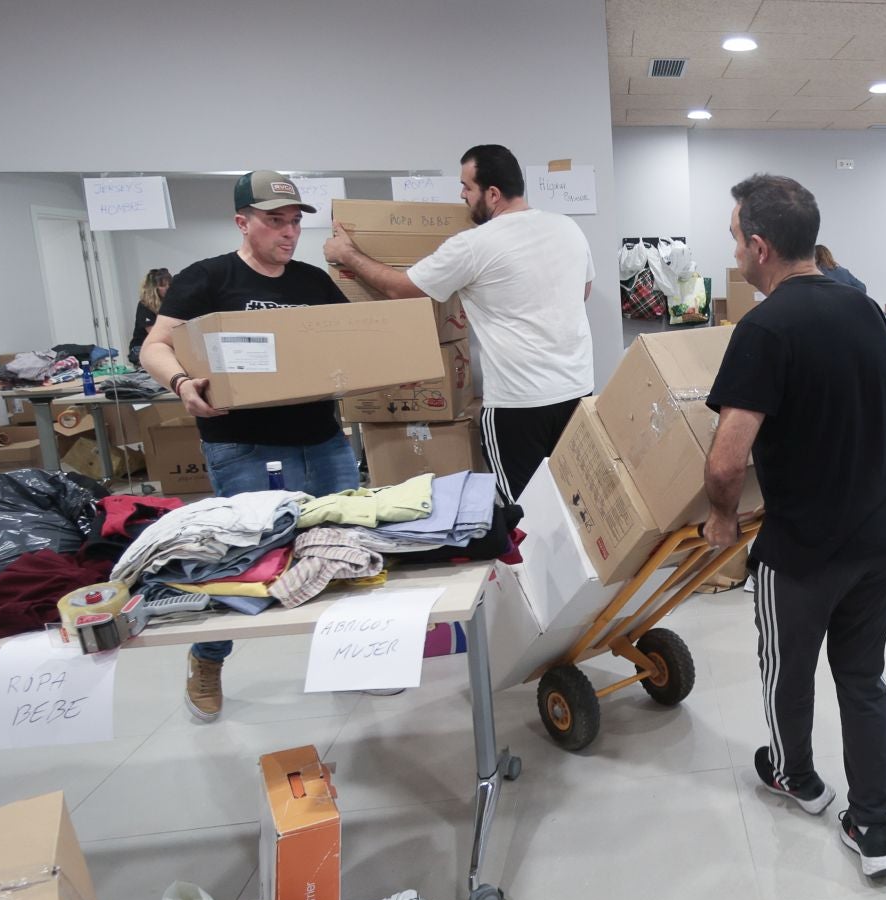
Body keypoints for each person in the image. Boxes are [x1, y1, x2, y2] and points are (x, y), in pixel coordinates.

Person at [703, 174, 886, 879]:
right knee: (862, 677)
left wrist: (721, 520)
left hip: (803, 548)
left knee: (787, 670)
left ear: (760, 247)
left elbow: (728, 459)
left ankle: (798, 777)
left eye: (735, 238)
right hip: (884, 534)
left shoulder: (763, 329)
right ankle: (874, 826)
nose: (732, 250)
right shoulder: (864, 307)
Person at [138, 170, 363, 723]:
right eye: (274, 222)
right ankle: (207, 660)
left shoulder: (311, 283)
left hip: (324, 440)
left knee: (344, 549)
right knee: (244, 563)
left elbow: (354, 340)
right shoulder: (208, 279)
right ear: (243, 222)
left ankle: (354, 657)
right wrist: (182, 384)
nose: (288, 233)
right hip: (244, 445)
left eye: (293, 222)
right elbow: (154, 346)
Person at [324, 144, 594, 502]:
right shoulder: (567, 227)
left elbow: (399, 289)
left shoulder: (473, 244)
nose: (462, 195)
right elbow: (584, 290)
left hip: (519, 406)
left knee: (526, 513)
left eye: (467, 187)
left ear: (493, 194)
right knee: (579, 503)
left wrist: (347, 255)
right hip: (578, 392)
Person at [129, 268, 171, 366]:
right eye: (162, 285)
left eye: (169, 285)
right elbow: (155, 335)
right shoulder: (144, 306)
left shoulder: (169, 304)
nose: (168, 288)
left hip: (162, 345)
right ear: (154, 288)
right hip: (141, 347)